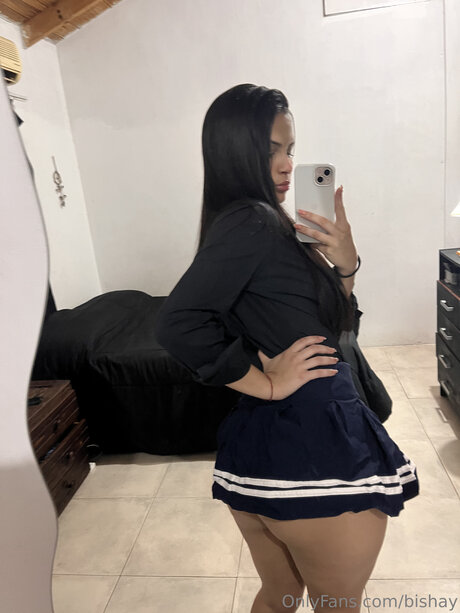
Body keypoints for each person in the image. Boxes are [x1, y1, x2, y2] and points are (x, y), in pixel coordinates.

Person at [154, 84, 420, 613]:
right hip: (316, 447)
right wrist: (268, 382)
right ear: (233, 152)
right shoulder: (253, 221)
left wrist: (345, 263)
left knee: (279, 597)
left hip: (263, 446)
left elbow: (331, 329)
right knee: (337, 605)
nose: (286, 165)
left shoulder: (261, 223)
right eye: (270, 149)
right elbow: (178, 324)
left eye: (290, 149)